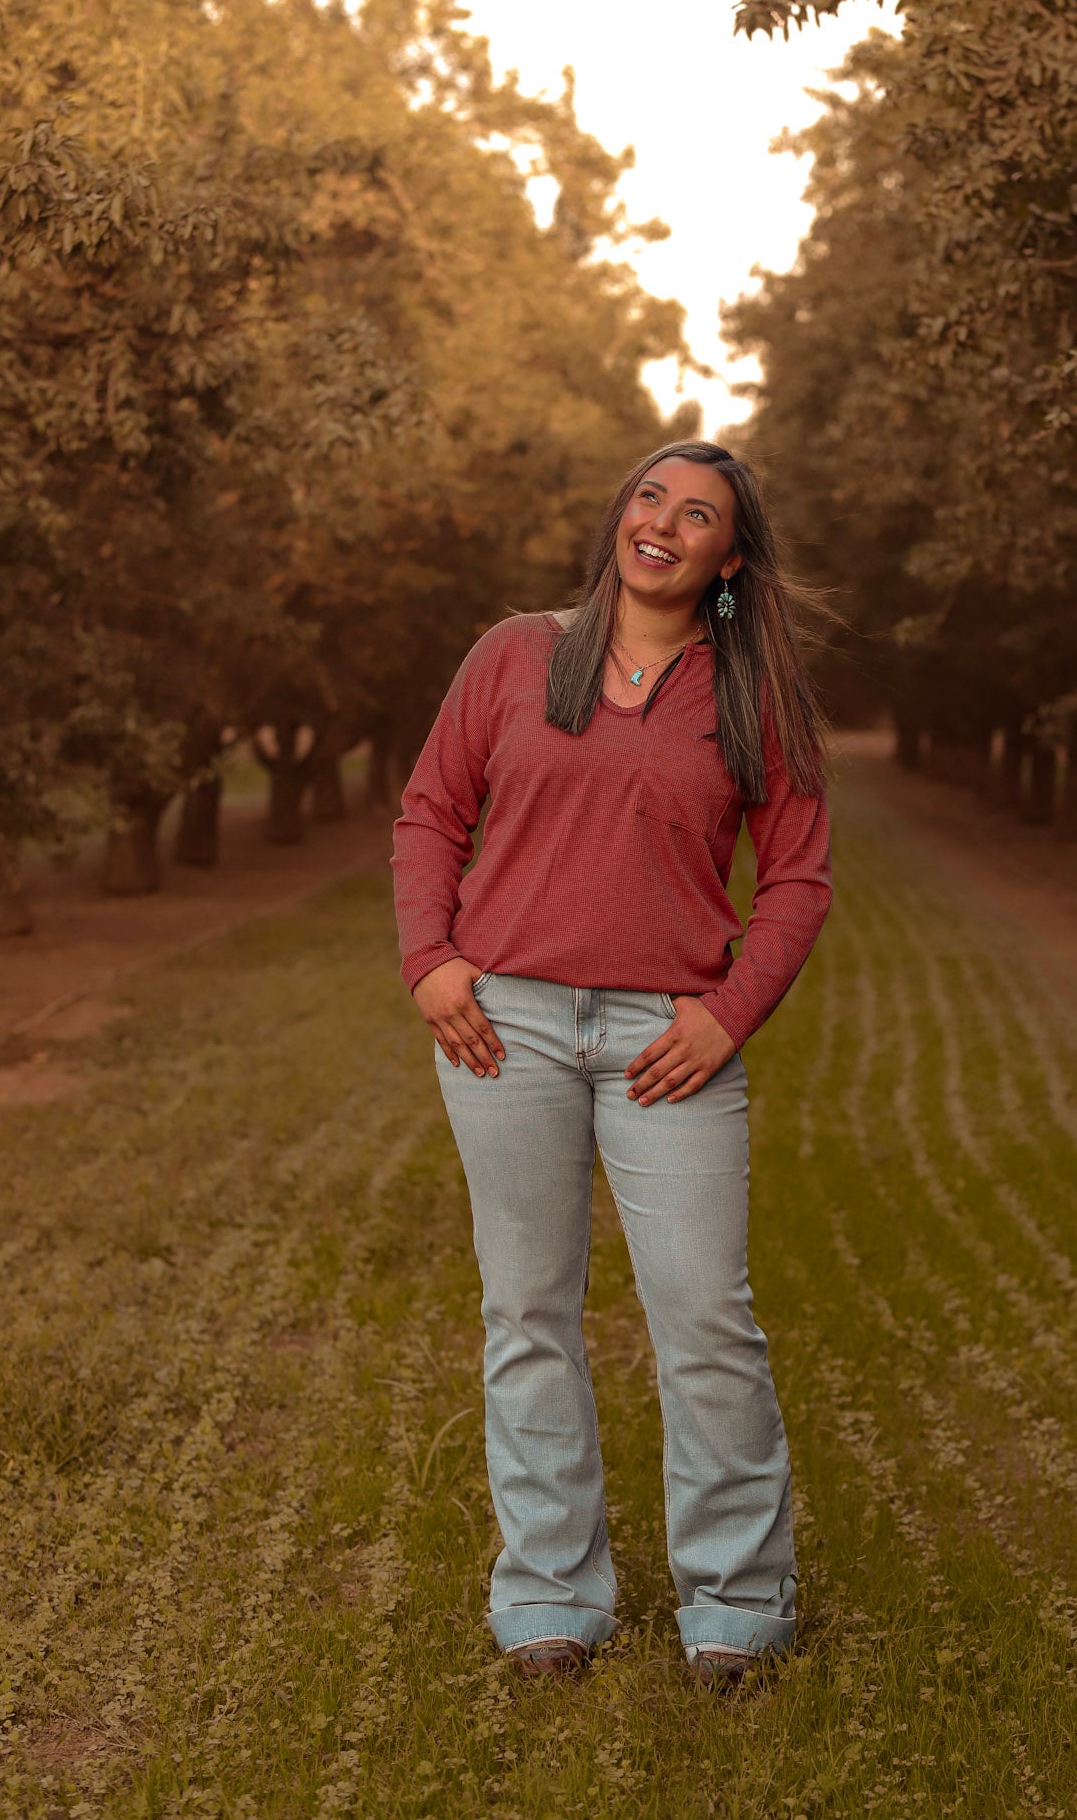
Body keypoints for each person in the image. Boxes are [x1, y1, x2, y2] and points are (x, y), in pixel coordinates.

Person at [390, 438, 832, 1688]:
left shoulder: (750, 695)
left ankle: (737, 1605)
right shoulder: (514, 654)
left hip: (666, 1043)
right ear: (619, 516)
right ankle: (548, 1593)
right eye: (650, 498)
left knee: (705, 1318)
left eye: (698, 515)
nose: (663, 524)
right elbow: (431, 811)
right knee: (527, 1310)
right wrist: (430, 961)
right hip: (506, 1028)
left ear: (729, 559)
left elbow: (799, 878)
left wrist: (728, 1014)